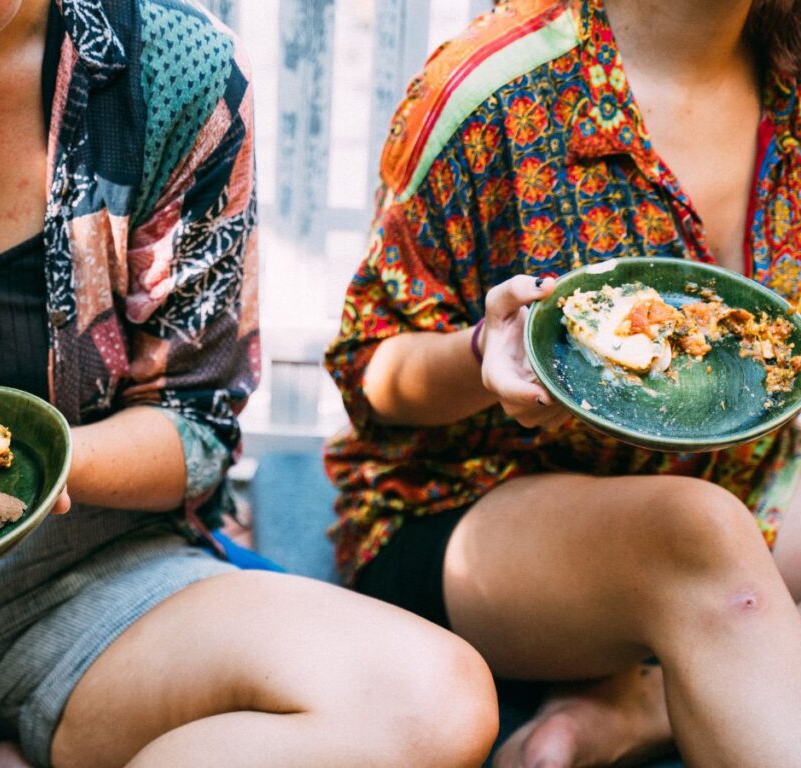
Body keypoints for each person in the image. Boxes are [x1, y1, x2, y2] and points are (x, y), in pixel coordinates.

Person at [0, 1, 502, 767]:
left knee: (425, 700)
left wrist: (29, 477)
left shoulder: (168, 70)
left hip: (88, 582)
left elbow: (195, 425)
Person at [324, 0, 801, 765]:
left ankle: (642, 702)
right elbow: (371, 375)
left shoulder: (787, 73)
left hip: (755, 480)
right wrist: (483, 353)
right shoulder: (494, 89)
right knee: (699, 532)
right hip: (476, 514)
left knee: (720, 531)